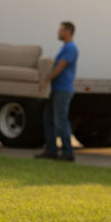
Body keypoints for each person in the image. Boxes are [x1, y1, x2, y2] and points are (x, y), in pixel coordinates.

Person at [36, 21, 78, 161]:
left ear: (67, 31)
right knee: (48, 119)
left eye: (60, 30)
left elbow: (60, 67)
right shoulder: (65, 47)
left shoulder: (71, 48)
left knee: (60, 121)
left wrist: (46, 80)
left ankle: (68, 153)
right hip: (56, 89)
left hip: (63, 89)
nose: (58, 32)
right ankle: (51, 151)